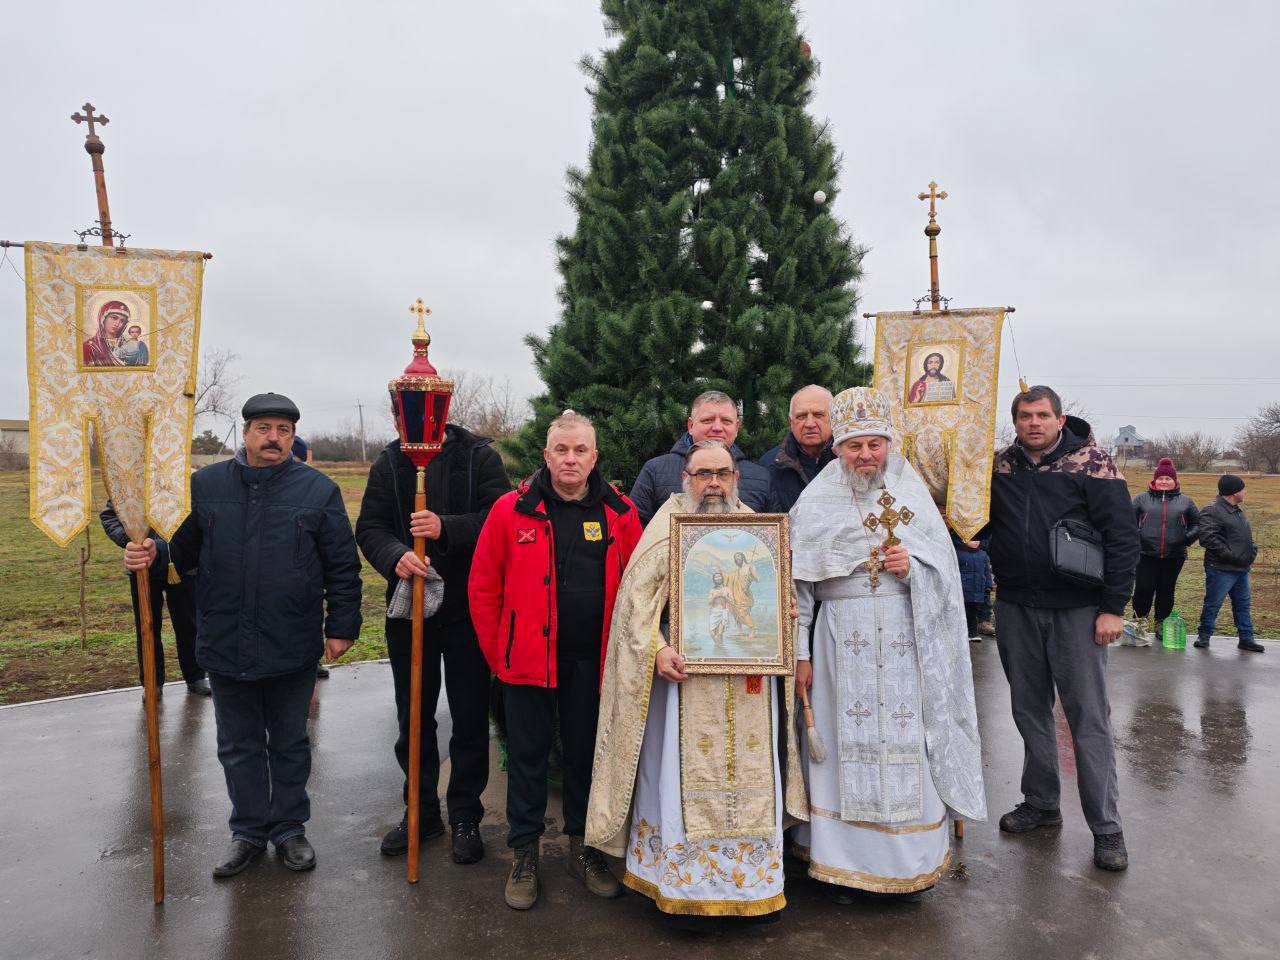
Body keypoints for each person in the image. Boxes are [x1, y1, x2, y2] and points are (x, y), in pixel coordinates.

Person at [124, 392, 362, 879]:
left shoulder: (317, 491)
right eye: (264, 429)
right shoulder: (206, 487)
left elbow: (342, 565)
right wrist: (151, 556)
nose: (274, 439)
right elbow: (182, 555)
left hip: (291, 640)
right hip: (227, 639)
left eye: (284, 431)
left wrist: (341, 626)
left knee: (291, 742)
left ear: (293, 438)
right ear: (246, 432)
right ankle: (249, 832)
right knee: (238, 744)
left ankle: (290, 829)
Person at [586, 440, 806, 918]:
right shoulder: (667, 529)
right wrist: (658, 647)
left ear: (736, 478)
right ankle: (683, 889)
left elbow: (777, 602)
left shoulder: (758, 530)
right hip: (683, 686)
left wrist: (782, 615)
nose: (712, 483)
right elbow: (634, 610)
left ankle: (749, 890)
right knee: (678, 781)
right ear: (685, 478)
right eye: (702, 473)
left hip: (749, 689)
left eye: (722, 473)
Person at [789, 387, 985, 903]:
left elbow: (944, 576)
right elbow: (796, 586)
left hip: (903, 636)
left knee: (906, 744)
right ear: (838, 448)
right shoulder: (816, 500)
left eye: (874, 445)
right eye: (854, 446)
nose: (865, 456)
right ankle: (842, 866)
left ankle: (908, 865)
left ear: (888, 444)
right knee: (836, 747)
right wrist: (800, 653)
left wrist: (914, 569)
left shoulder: (910, 493)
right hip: (837, 641)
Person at [469, 411, 642, 910]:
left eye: (580, 451)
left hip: (592, 666)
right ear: (546, 456)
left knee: (586, 757)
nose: (570, 459)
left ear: (594, 457)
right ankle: (524, 852)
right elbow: (482, 590)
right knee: (526, 759)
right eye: (561, 451)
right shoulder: (510, 510)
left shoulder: (620, 514)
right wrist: (499, 657)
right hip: (524, 665)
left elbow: (642, 588)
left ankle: (583, 848)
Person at [986, 385, 1139, 871]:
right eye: (1025, 415)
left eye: (1043, 415)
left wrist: (1112, 607)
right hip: (1015, 605)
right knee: (1030, 711)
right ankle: (1042, 803)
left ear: (1058, 418)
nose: (1034, 423)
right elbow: (981, 518)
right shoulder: (1000, 466)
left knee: (1087, 719)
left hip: (1077, 610)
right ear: (1016, 421)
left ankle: (1106, 828)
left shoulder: (1093, 464)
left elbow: (1122, 538)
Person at [356, 420, 509, 864]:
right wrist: (394, 555)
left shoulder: (479, 456)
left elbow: (498, 518)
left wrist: (447, 527)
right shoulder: (389, 461)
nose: (418, 415)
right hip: (411, 611)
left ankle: (465, 815)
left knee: (468, 716)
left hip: (469, 609)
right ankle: (420, 812)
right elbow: (370, 527)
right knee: (415, 716)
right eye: (406, 407)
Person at [100, 498, 209, 697]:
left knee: (189, 624)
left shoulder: (184, 480)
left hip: (184, 566)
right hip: (143, 568)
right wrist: (131, 540)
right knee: (147, 627)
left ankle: (195, 677)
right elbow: (109, 516)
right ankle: (152, 682)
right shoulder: (131, 486)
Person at [629, 390, 774, 525]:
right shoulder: (655, 471)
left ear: (736, 428)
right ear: (691, 425)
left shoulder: (761, 477)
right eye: (708, 420)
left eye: (726, 421)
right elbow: (634, 529)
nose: (717, 427)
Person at [1132, 457, 1200, 636]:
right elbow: (1127, 522)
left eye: (1167, 479)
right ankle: (1140, 622)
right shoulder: (1141, 499)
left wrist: (1186, 539)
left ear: (1174, 481)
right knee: (1143, 589)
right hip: (1145, 553)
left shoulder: (1186, 501)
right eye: (1160, 478)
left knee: (1166, 590)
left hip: (1174, 555)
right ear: (1154, 480)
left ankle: (1161, 624)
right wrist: (1138, 538)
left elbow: (1198, 524)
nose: (1163, 481)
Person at [1195, 475, 1262, 652]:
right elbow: (1208, 538)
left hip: (1240, 568)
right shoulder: (1212, 510)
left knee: (1243, 604)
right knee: (1213, 603)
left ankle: (1246, 639)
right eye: (1243, 488)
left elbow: (1245, 537)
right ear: (1234, 491)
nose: (1245, 491)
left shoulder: (1237, 510)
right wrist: (1232, 556)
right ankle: (1204, 636)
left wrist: (1251, 551)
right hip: (1221, 569)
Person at [759, 384, 835, 512]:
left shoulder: (849, 460)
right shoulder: (769, 465)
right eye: (801, 416)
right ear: (790, 422)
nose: (810, 424)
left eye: (818, 415)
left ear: (834, 418)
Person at [952, 530, 994, 642]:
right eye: (972, 539)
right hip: (964, 589)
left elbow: (986, 572)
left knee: (973, 612)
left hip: (978, 589)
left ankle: (973, 632)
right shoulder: (958, 553)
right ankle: (962, 632)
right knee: (963, 611)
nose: (975, 542)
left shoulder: (983, 554)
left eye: (977, 540)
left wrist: (988, 585)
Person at [81, 301, 129, 367]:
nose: (117, 324)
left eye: (122, 321)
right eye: (114, 318)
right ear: (103, 318)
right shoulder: (90, 346)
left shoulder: (128, 344)